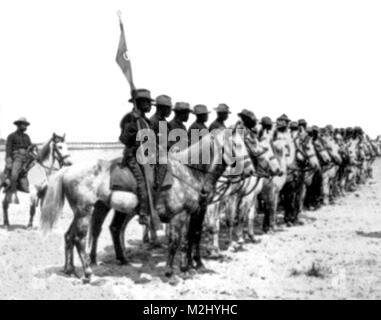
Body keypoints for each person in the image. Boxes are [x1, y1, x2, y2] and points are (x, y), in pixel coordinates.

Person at [119, 88, 154, 227]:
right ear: (138, 103)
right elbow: (123, 139)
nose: (149, 106)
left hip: (146, 156)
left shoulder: (146, 120)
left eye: (149, 103)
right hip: (132, 156)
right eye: (147, 103)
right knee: (142, 181)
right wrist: (133, 125)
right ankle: (143, 213)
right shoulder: (130, 118)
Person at [4, 117, 33, 203]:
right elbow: (8, 149)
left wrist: (31, 148)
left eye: (25, 125)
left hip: (27, 157)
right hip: (17, 157)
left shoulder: (27, 136)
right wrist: (8, 161)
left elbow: (30, 147)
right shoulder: (11, 136)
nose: (25, 127)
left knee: (37, 166)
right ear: (18, 125)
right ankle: (12, 193)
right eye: (23, 125)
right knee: (14, 173)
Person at [150, 95, 172, 192]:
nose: (170, 111)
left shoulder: (164, 122)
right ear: (161, 108)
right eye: (168, 109)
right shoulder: (153, 121)